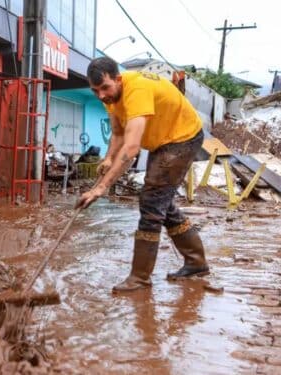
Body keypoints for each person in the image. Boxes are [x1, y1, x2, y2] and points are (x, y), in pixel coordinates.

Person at [77, 56, 208, 292]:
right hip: (162, 142)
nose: (101, 95)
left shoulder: (136, 90)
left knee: (151, 202)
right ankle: (196, 262)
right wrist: (108, 158)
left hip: (183, 138)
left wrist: (100, 187)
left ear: (117, 79)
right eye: (95, 91)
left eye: (105, 88)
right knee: (161, 203)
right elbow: (118, 134)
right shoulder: (111, 96)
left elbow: (131, 148)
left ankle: (139, 278)